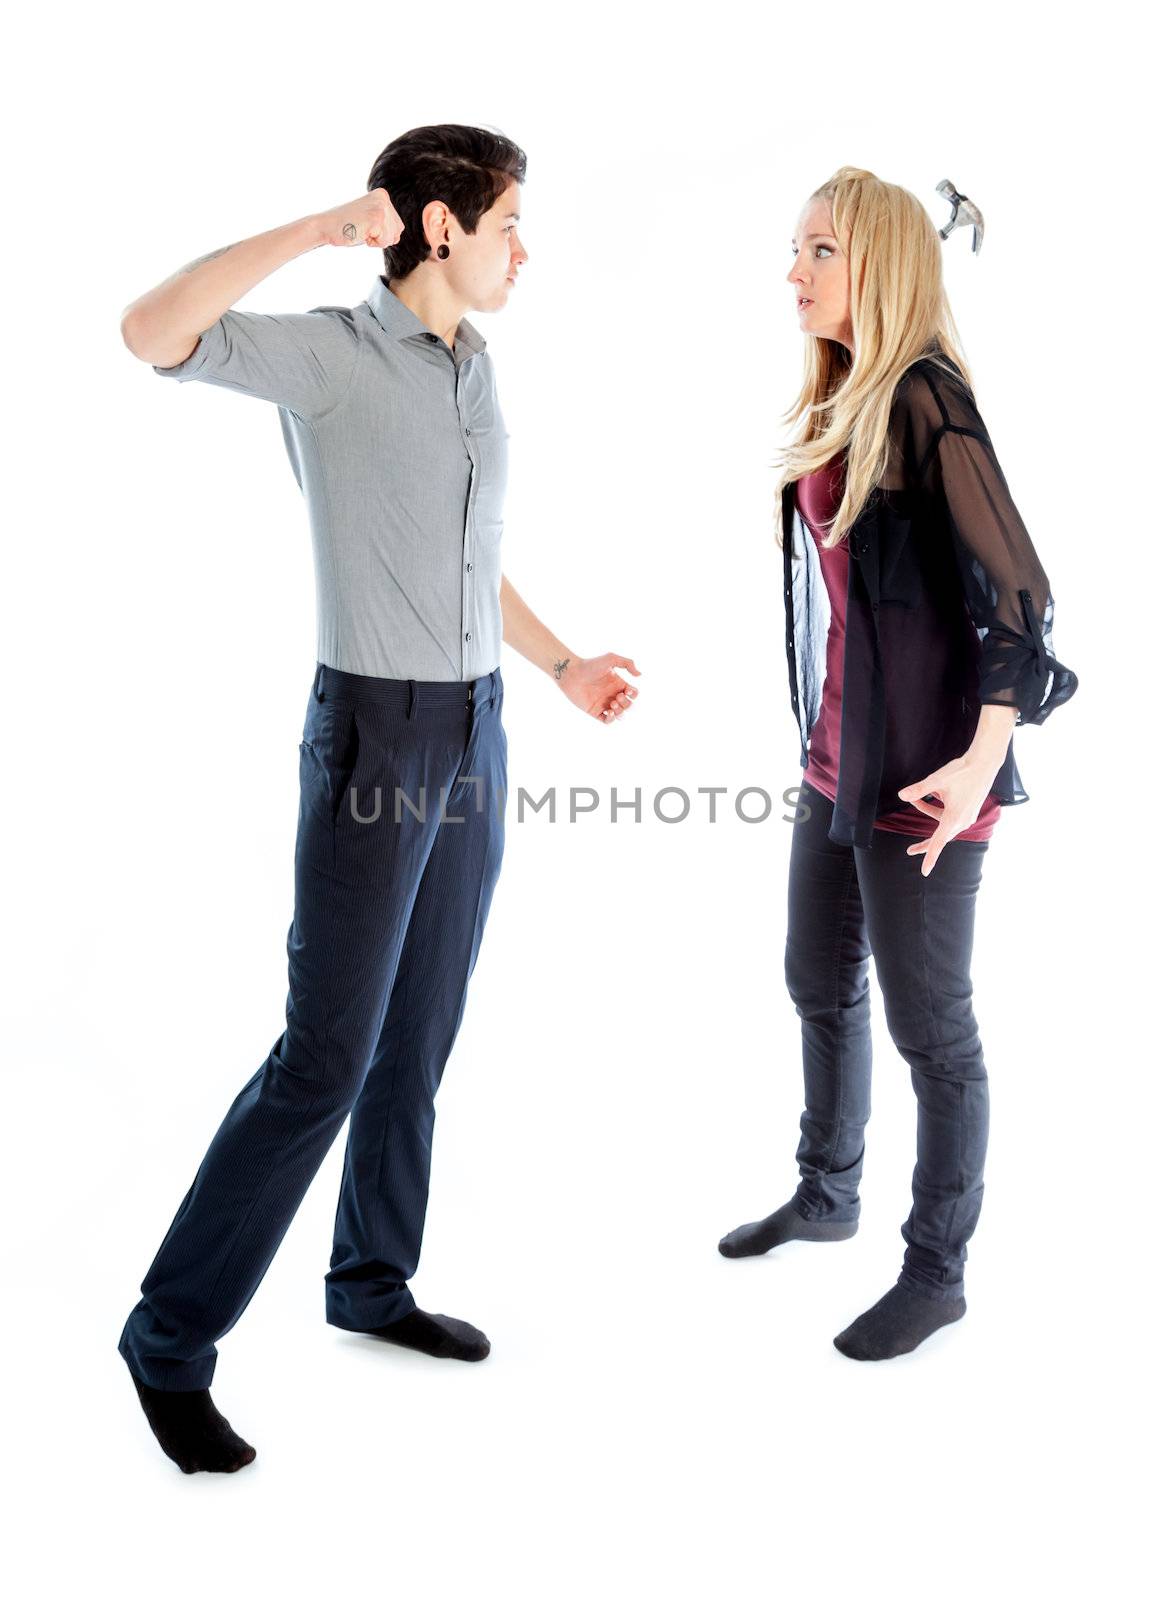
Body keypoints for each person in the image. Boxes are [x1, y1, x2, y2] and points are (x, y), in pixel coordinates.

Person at [117, 123, 641, 1472]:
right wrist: (313, 230)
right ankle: (167, 1340)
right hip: (374, 740)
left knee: (421, 1032)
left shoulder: (476, 367)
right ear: (440, 226)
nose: (526, 247)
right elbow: (147, 331)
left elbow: (476, 554)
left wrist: (564, 662)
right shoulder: (330, 360)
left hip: (475, 729)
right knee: (323, 1060)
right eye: (511, 221)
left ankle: (369, 1281)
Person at [718, 167, 1077, 1360]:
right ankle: (828, 1192)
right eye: (795, 249)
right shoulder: (848, 399)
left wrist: (980, 765)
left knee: (936, 1033)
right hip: (839, 765)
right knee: (815, 980)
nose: (795, 272)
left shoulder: (927, 399)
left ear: (876, 261)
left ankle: (938, 1268)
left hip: (925, 783)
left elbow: (1020, 603)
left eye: (817, 250)